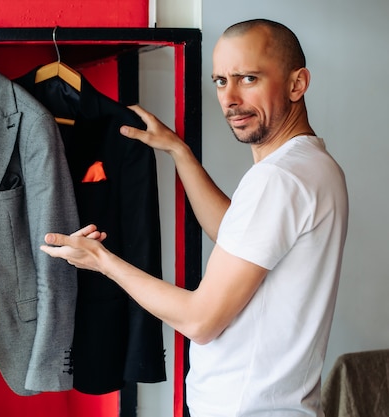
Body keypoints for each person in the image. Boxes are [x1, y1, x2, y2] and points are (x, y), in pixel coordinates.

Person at [40, 18, 349, 416]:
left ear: (297, 83)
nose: (230, 98)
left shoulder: (278, 180)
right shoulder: (315, 165)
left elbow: (201, 320)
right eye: (221, 80)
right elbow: (234, 235)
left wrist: (101, 261)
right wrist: (179, 152)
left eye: (248, 78)